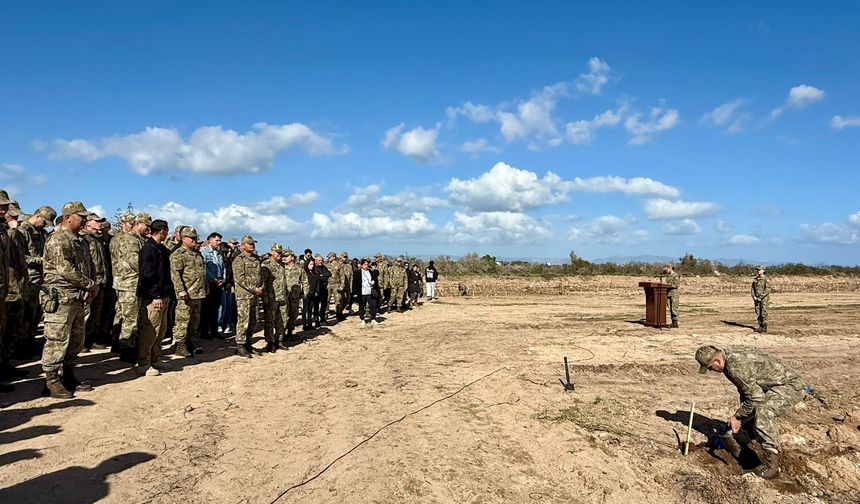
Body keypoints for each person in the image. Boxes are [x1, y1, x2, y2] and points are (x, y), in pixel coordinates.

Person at [695, 345, 805, 479]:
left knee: (764, 412)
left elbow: (756, 398)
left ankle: (771, 466)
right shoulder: (729, 354)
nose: (711, 370)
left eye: (710, 367)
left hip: (789, 386)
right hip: (773, 385)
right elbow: (747, 392)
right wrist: (743, 417)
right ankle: (747, 439)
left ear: (717, 361)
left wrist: (737, 416)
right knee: (752, 413)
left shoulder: (734, 367)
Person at [40, 201, 100, 398]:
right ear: (68, 218)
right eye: (81, 217)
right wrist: (89, 284)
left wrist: (91, 286)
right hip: (61, 297)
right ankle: (51, 381)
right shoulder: (57, 239)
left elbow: (89, 265)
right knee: (57, 339)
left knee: (75, 339)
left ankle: (68, 375)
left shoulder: (81, 240)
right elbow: (65, 269)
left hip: (78, 297)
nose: (84, 220)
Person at [18, 205, 56, 359]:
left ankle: (30, 342)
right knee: (26, 314)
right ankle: (20, 346)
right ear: (38, 216)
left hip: (41, 279)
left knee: (37, 313)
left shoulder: (41, 233)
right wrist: (42, 260)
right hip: (29, 279)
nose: (45, 225)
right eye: (45, 222)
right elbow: (21, 256)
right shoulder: (23, 231)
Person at [136, 219, 173, 375]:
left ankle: (156, 358)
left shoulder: (161, 249)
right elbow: (148, 274)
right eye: (167, 231)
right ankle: (144, 363)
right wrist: (155, 294)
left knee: (160, 331)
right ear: (163, 231)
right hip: (153, 297)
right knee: (150, 331)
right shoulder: (148, 249)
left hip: (164, 295)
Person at [112, 213, 150, 361]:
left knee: (130, 317)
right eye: (146, 226)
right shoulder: (130, 240)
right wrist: (149, 273)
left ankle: (125, 345)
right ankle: (127, 350)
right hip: (129, 284)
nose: (148, 229)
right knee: (130, 318)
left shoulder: (140, 240)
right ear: (138, 224)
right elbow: (135, 262)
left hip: (134, 283)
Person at [169, 227, 207, 358]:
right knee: (182, 321)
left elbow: (202, 273)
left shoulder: (197, 255)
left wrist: (206, 287)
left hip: (198, 293)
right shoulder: (178, 254)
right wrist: (180, 290)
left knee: (195, 321)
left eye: (196, 238)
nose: (195, 240)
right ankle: (180, 345)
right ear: (184, 239)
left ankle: (193, 342)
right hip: (186, 294)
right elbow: (175, 274)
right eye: (192, 238)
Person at [81, 213, 109, 351]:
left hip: (100, 282)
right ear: (88, 223)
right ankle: (80, 342)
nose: (100, 224)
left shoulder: (97, 239)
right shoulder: (82, 238)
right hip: (90, 281)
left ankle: (90, 340)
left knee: (96, 314)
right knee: (85, 314)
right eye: (97, 221)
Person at [233, 235, 263, 357]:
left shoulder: (256, 259)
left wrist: (260, 287)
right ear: (242, 246)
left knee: (254, 320)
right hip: (244, 295)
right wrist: (253, 288)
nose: (252, 245)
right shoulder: (239, 260)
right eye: (249, 244)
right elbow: (239, 278)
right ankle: (240, 345)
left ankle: (249, 343)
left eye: (253, 243)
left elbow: (260, 276)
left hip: (255, 295)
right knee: (243, 320)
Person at [261, 243, 287, 352]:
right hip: (272, 297)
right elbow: (263, 282)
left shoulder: (281, 265)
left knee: (282, 320)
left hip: (282, 297)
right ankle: (270, 342)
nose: (279, 254)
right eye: (277, 252)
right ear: (272, 252)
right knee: (270, 321)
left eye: (281, 252)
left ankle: (279, 340)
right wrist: (265, 297)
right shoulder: (266, 265)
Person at [199, 232, 225, 340]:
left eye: (219, 241)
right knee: (206, 308)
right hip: (209, 283)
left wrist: (223, 278)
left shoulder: (219, 253)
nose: (218, 243)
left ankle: (214, 331)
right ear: (210, 240)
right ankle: (204, 332)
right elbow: (204, 268)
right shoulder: (203, 252)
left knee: (215, 308)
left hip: (218, 283)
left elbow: (223, 267)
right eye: (217, 240)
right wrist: (213, 279)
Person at [282, 249, 306, 340]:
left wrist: (305, 293)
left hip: (295, 296)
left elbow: (305, 281)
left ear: (292, 257)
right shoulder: (281, 268)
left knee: (293, 315)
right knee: (283, 316)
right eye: (283, 256)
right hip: (283, 296)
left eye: (286, 256)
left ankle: (290, 332)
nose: (284, 258)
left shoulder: (299, 269)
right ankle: (281, 334)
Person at [358, 258, 380, 326]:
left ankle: (373, 319)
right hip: (362, 292)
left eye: (367, 265)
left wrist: (373, 281)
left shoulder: (370, 271)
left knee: (373, 306)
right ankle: (362, 319)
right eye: (365, 265)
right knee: (362, 306)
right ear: (361, 265)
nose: (366, 266)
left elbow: (377, 273)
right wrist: (355, 292)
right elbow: (355, 283)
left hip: (370, 291)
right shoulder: (357, 272)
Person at [751, 266, 770, 333]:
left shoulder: (766, 279)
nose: (758, 271)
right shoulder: (755, 279)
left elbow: (767, 290)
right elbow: (752, 289)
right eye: (757, 270)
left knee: (763, 312)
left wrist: (760, 297)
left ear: (763, 270)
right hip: (756, 298)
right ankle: (760, 326)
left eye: (759, 270)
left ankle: (764, 327)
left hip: (764, 298)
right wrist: (754, 296)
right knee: (758, 311)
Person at [662, 263, 680, 328]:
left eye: (666, 270)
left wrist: (667, 285)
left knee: (674, 308)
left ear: (670, 268)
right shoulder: (668, 276)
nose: (666, 271)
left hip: (673, 294)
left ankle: (675, 322)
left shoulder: (675, 275)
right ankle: (673, 322)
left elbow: (676, 285)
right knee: (670, 308)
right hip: (668, 293)